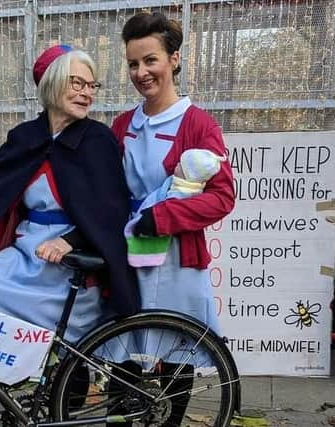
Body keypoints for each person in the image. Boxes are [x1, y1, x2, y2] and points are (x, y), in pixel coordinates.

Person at [0, 45, 139, 409]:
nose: (86, 92)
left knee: (67, 340)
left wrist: (71, 240)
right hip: (24, 255)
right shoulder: (25, 137)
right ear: (51, 85)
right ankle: (6, 372)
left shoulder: (97, 140)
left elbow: (112, 210)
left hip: (70, 264)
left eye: (91, 85)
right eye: (75, 82)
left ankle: (60, 374)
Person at [109, 11, 235, 426]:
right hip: (128, 254)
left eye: (151, 60)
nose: (141, 72)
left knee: (174, 354)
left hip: (178, 259)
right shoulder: (123, 124)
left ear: (174, 59)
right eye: (132, 63)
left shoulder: (198, 123)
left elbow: (222, 198)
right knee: (122, 349)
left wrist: (162, 216)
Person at [125, 148, 227, 267]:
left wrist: (155, 218)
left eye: (181, 165)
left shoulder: (183, 192)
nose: (177, 164)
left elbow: (170, 205)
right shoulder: (181, 184)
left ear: (187, 174)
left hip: (152, 226)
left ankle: (142, 255)